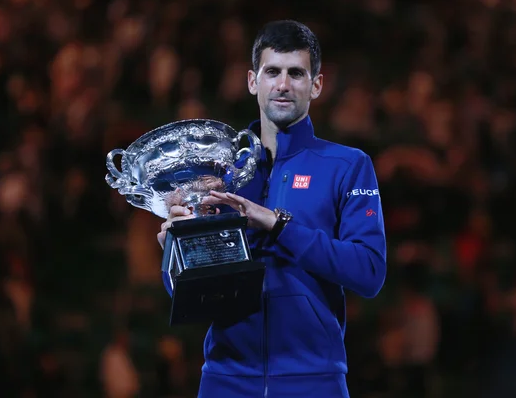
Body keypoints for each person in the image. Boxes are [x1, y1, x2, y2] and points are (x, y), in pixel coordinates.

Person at [156, 20, 387, 398]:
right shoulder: (218, 175)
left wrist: (276, 225)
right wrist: (176, 251)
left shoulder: (348, 165)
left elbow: (369, 272)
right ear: (252, 81)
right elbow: (187, 299)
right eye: (272, 72)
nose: (283, 85)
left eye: (296, 73)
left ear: (316, 85)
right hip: (225, 379)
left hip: (313, 379)